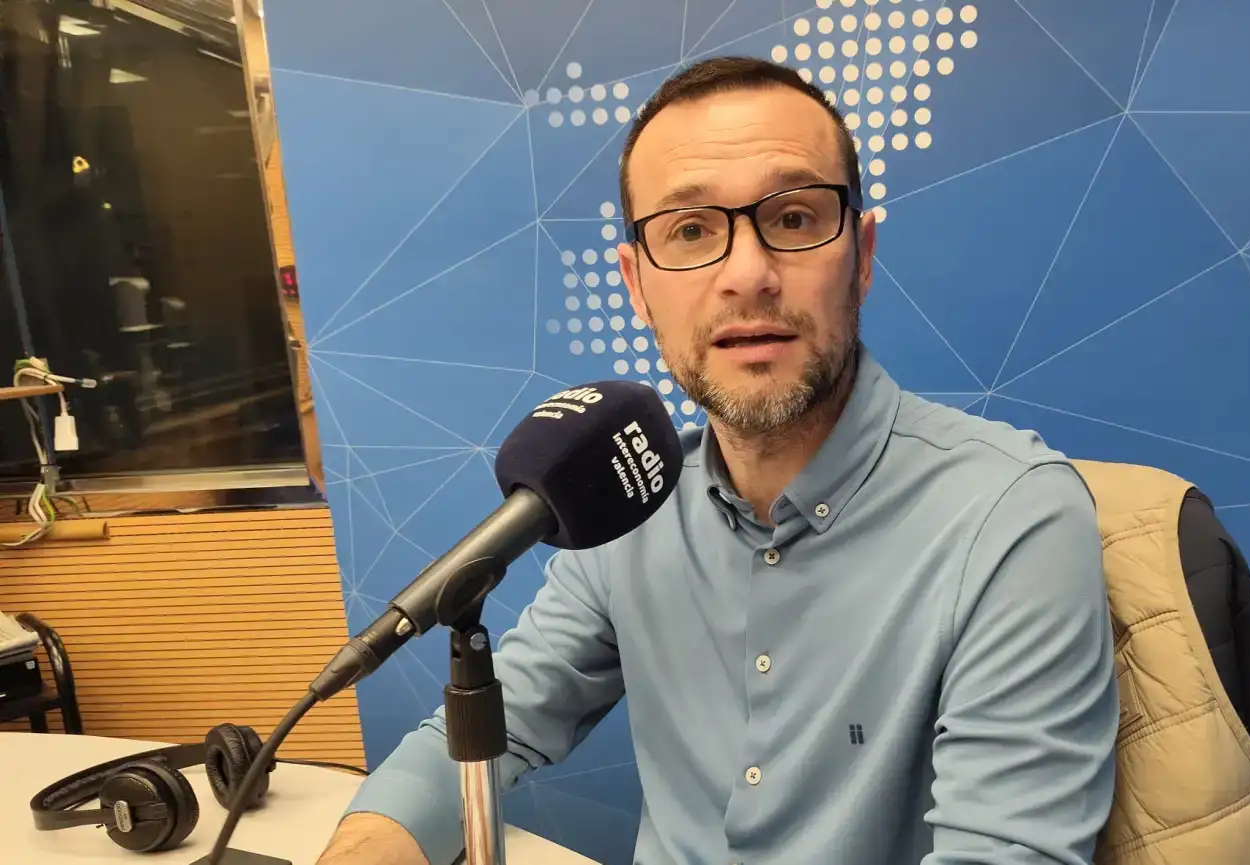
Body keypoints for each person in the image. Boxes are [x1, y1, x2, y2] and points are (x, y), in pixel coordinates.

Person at [316, 56, 1118, 865]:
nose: (747, 275)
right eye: (691, 230)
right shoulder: (629, 507)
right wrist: (364, 845)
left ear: (863, 255)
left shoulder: (1009, 517)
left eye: (795, 218)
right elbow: (498, 721)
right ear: (637, 285)